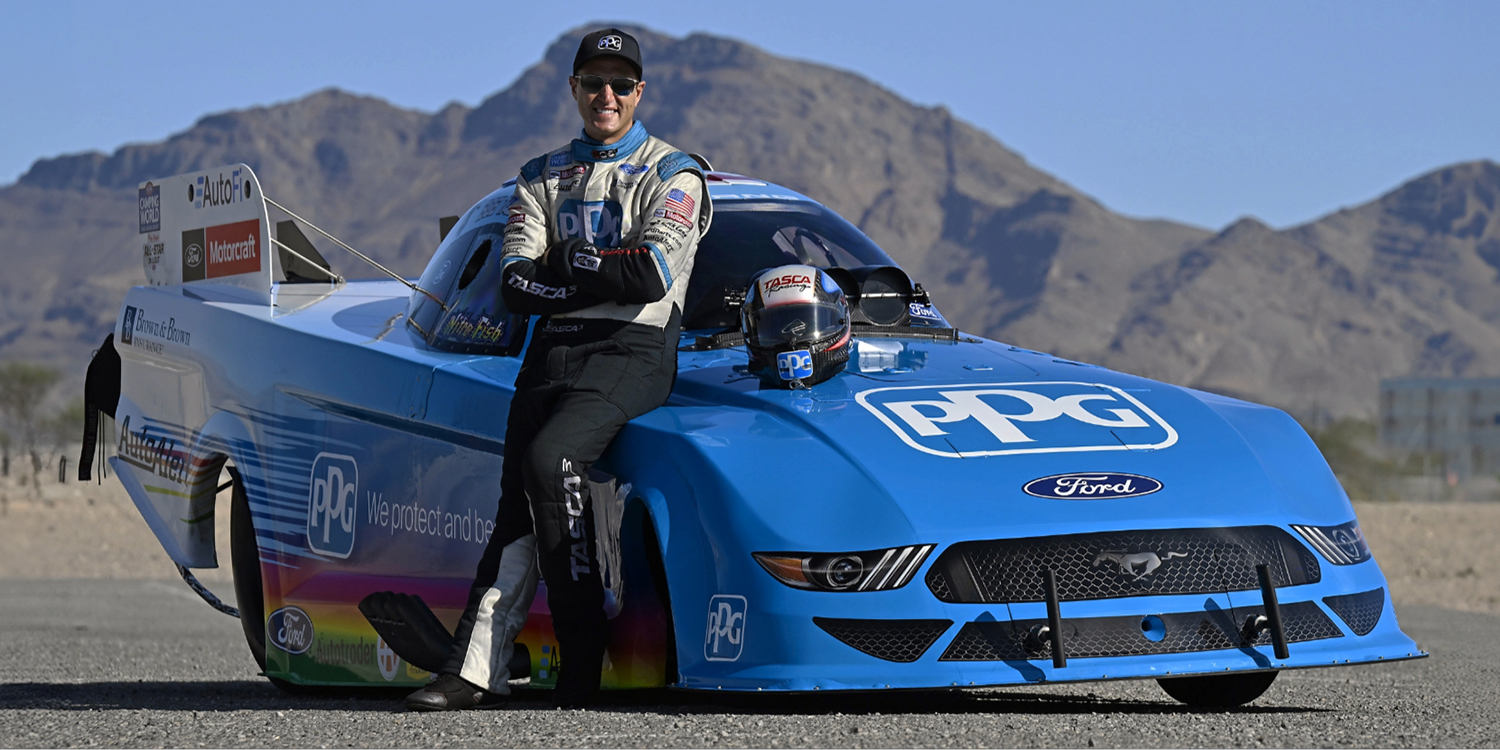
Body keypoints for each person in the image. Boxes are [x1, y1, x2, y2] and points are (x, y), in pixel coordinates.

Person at [404, 27, 710, 711]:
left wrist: (568, 263)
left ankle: (581, 654)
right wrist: (587, 276)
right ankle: (471, 670)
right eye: (594, 83)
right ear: (573, 89)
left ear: (641, 93)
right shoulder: (541, 174)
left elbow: (653, 273)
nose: (608, 95)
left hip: (635, 351)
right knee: (514, 508)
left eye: (621, 84)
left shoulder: (675, 173)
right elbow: (515, 283)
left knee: (550, 461)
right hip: (551, 351)